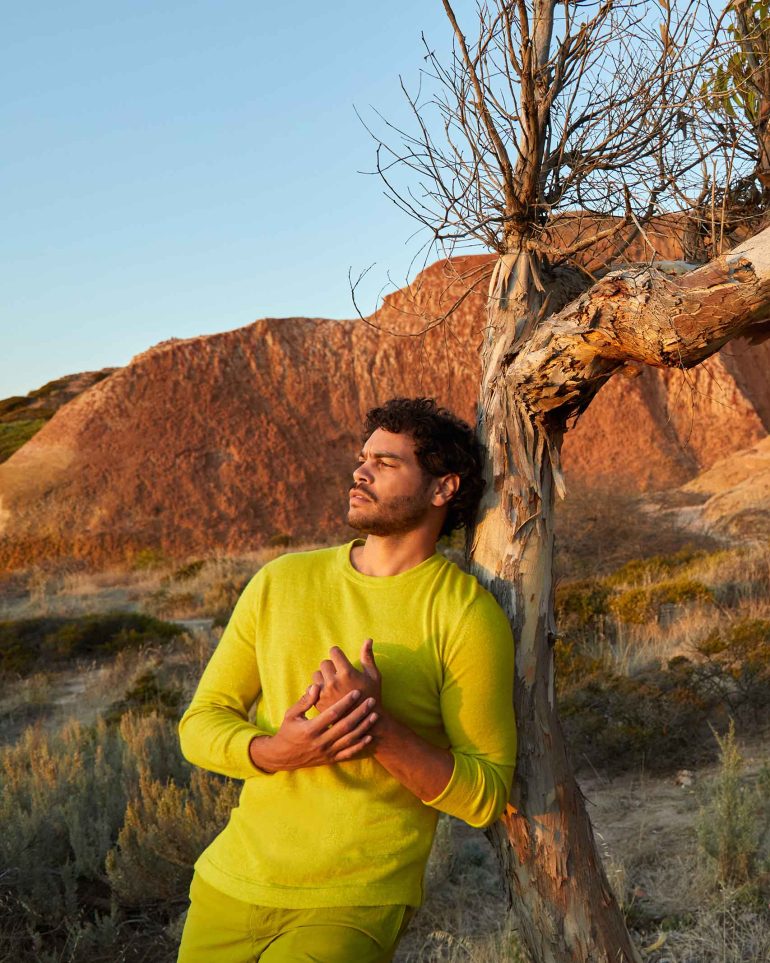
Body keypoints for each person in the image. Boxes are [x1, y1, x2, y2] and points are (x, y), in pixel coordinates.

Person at [177, 397, 517, 962]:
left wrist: (376, 728)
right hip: (229, 881)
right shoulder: (280, 581)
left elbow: (484, 797)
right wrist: (274, 752)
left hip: (354, 901)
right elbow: (199, 724)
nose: (360, 472)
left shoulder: (465, 615)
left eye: (386, 463)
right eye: (363, 458)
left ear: (442, 488)